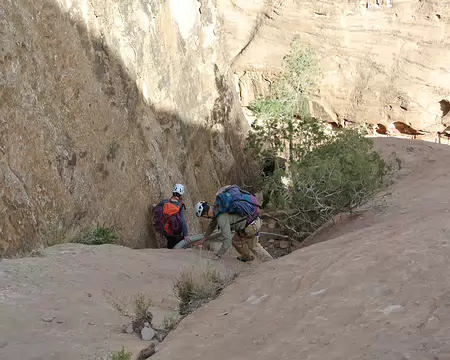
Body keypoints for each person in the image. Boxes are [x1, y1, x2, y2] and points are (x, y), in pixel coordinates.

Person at [194, 185, 273, 262]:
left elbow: (227, 241)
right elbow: (212, 225)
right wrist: (204, 239)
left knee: (236, 241)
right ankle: (270, 262)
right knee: (254, 246)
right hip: (255, 220)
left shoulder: (221, 218)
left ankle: (248, 257)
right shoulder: (218, 207)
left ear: (204, 215)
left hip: (249, 227)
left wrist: (218, 255)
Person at [152, 184, 190, 249]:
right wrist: (186, 235)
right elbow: (183, 221)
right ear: (180, 195)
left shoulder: (165, 202)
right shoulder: (180, 206)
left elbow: (155, 208)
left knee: (170, 243)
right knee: (176, 246)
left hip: (165, 230)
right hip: (175, 233)